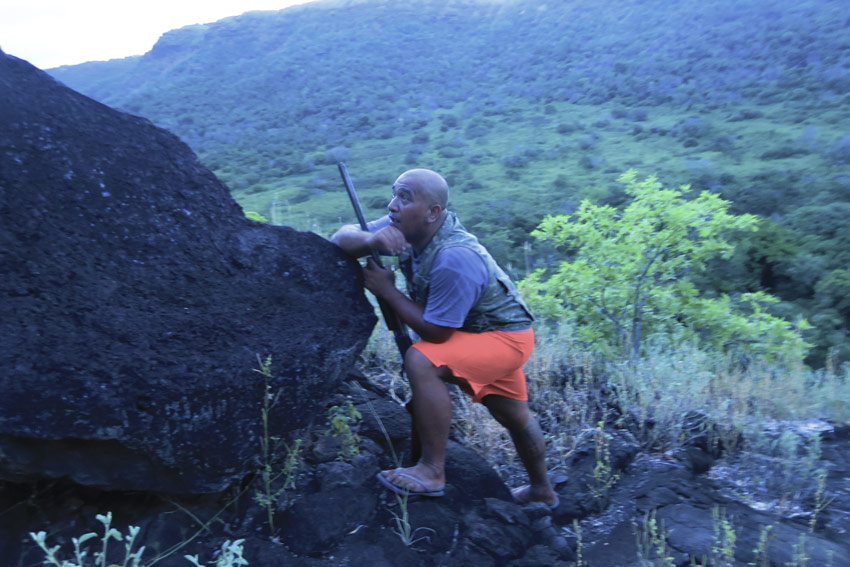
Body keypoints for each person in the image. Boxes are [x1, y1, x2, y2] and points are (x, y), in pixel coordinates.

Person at [330, 168, 557, 507]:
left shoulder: (455, 257)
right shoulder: (408, 224)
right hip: (483, 335)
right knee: (513, 415)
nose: (393, 205)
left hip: (504, 340)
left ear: (433, 212)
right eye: (394, 194)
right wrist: (370, 241)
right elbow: (340, 239)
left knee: (421, 360)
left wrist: (388, 293)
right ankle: (543, 490)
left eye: (404, 197)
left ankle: (431, 471)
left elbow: (437, 333)